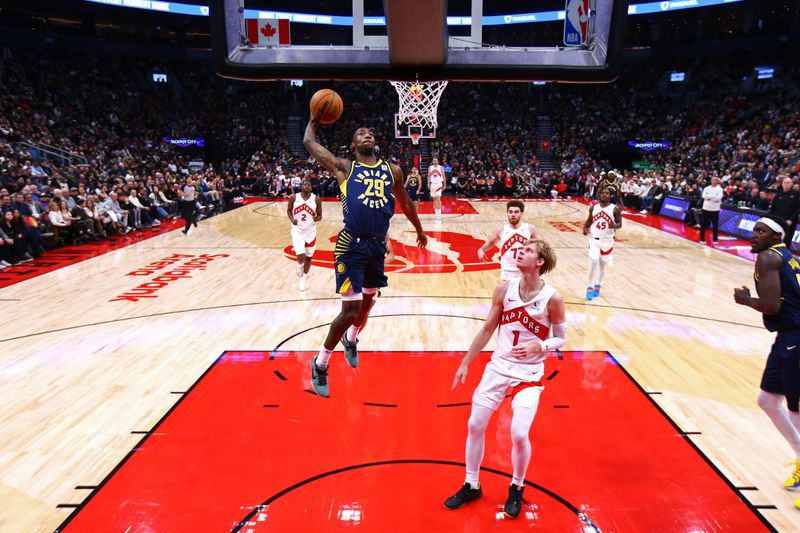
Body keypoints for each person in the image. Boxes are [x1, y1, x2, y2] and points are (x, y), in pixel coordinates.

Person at [304, 119, 427, 396]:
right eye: (361, 132)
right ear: (353, 144)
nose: (367, 134)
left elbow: (406, 203)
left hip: (376, 247)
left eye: (371, 132)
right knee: (350, 310)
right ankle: (321, 363)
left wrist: (420, 229)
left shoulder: (392, 170)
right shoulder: (345, 167)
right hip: (351, 245)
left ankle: (351, 339)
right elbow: (309, 145)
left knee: (368, 303)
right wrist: (313, 119)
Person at [445, 239, 566, 518]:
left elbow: (561, 338)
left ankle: (517, 486)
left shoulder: (553, 298)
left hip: (529, 373)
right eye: (520, 249)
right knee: (475, 425)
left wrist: (540, 346)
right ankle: (471, 484)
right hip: (498, 367)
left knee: (519, 433)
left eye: (528, 250)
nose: (520, 251)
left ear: (540, 262)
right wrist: (465, 362)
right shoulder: (503, 288)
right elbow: (488, 329)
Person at [734, 218, 800, 509]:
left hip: (796, 337)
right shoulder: (789, 257)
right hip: (787, 336)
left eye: (761, 231)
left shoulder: (768, 257)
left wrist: (747, 300)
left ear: (776, 235)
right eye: (754, 229)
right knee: (767, 400)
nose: (754, 234)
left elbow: (771, 306)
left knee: (796, 409)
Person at [477, 200, 540, 281]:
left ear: (521, 213)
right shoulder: (501, 230)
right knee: (505, 293)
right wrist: (481, 250)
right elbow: (492, 242)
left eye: (516, 212)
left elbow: (540, 246)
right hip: (507, 272)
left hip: (525, 271)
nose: (513, 215)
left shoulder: (530, 228)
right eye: (510, 212)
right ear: (507, 213)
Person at [582, 188, 622, 300]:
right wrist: (585, 228)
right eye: (602, 193)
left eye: (607, 193)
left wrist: (613, 225)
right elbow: (589, 220)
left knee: (602, 265)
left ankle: (598, 284)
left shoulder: (615, 209)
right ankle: (589, 286)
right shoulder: (593, 208)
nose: (604, 195)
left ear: (610, 196)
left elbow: (619, 224)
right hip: (594, 239)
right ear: (599, 195)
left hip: (608, 240)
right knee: (593, 261)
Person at [287, 179, 322, 291]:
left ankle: (303, 279)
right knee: (300, 255)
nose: (306, 186)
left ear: (311, 187)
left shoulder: (316, 199)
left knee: (309, 257)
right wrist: (292, 219)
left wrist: (318, 218)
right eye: (304, 184)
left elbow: (320, 215)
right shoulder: (293, 197)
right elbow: (288, 211)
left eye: (309, 184)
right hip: (297, 230)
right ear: (301, 186)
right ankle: (299, 264)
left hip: (310, 231)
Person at [769, 176, 800, 248]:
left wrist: (791, 220)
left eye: (788, 183)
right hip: (777, 221)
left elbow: (798, 209)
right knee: (775, 239)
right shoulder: (778, 195)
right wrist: (770, 219)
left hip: (789, 223)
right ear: (782, 184)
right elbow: (772, 208)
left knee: (787, 240)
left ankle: (784, 256)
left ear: (792, 184)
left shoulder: (796, 194)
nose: (786, 184)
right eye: (784, 183)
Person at [699, 176, 724, 245]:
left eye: (715, 180)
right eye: (713, 180)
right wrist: (713, 196)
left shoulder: (720, 189)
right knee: (703, 224)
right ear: (711, 180)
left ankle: (715, 240)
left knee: (715, 225)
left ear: (717, 181)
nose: (714, 181)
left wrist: (709, 197)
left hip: (715, 209)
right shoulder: (706, 188)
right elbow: (704, 196)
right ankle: (702, 239)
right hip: (706, 208)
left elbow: (718, 198)